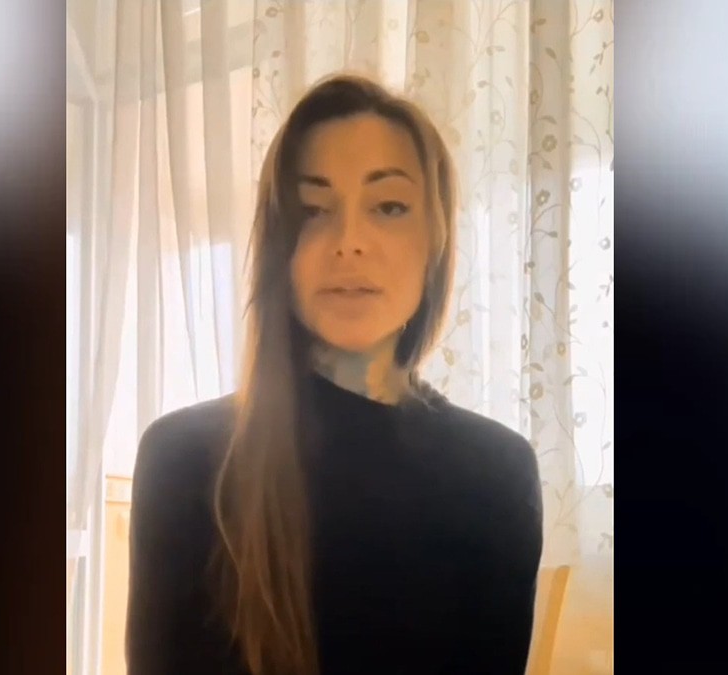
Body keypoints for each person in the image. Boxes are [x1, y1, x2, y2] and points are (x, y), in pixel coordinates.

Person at [126, 73, 543, 675]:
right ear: (281, 249)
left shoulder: (496, 473)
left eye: (389, 207)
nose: (349, 242)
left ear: (435, 240)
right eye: (314, 210)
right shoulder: (184, 457)